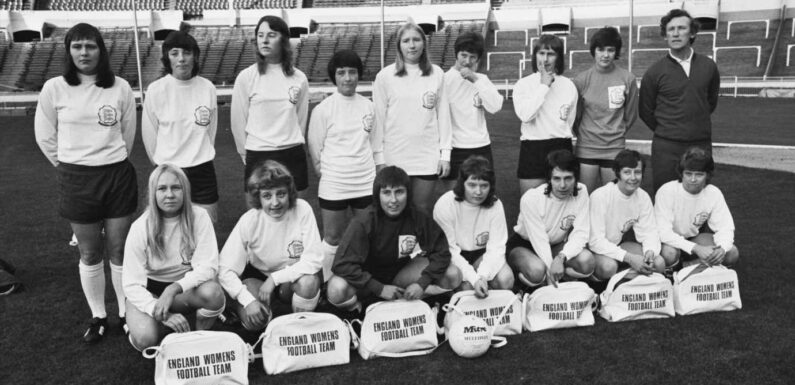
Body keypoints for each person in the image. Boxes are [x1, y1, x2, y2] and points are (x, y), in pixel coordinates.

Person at [34, 23, 137, 343]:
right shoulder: (55, 87)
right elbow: (45, 135)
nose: (83, 52)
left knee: (120, 250)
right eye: (77, 46)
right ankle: (98, 315)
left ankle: (124, 313)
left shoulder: (119, 86)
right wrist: (69, 164)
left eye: (90, 46)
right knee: (91, 253)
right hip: (77, 179)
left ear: (100, 50)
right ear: (68, 51)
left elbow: (127, 135)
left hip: (116, 176)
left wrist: (108, 159)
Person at [327, 166, 461, 314]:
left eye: (399, 192)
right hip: (366, 281)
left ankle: (411, 300)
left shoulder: (418, 217)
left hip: (399, 274)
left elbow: (441, 252)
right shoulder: (363, 222)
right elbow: (341, 265)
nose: (393, 200)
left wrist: (422, 284)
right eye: (386, 193)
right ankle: (356, 311)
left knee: (452, 274)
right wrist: (379, 288)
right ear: (377, 195)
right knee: (336, 288)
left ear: (408, 193)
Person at [123, 164, 225, 351]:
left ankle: (198, 337)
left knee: (214, 293)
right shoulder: (140, 227)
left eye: (176, 187)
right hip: (150, 290)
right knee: (146, 339)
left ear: (185, 190)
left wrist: (173, 289)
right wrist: (159, 309)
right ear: (153, 193)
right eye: (162, 188)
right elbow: (131, 284)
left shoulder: (200, 216)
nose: (169, 194)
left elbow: (208, 266)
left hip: (183, 289)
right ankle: (134, 326)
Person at [219, 161, 323, 331]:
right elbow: (225, 269)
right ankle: (249, 311)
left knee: (309, 282)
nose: (275, 203)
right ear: (258, 197)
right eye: (267, 196)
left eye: (281, 194)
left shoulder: (302, 210)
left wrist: (274, 279)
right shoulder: (250, 220)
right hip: (258, 278)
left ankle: (299, 326)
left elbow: (314, 260)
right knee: (256, 323)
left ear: (289, 193)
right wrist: (247, 300)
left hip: (291, 280)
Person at [307, 50, 381, 281]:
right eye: (342, 73)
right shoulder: (323, 109)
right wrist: (329, 174)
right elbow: (315, 149)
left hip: (365, 182)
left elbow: (376, 145)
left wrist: (375, 177)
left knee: (366, 234)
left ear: (359, 74)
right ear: (334, 76)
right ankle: (328, 283)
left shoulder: (369, 106)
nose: (348, 78)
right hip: (335, 183)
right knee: (333, 237)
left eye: (352, 72)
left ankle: (365, 280)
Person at [373, 22, 451, 215]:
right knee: (395, 210)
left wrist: (445, 155)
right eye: (406, 40)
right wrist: (379, 158)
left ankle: (420, 246)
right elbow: (378, 121)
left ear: (424, 43)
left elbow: (444, 116)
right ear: (399, 45)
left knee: (422, 209)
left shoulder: (437, 73)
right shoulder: (385, 76)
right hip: (394, 155)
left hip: (427, 155)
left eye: (416, 40)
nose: (412, 45)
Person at [639, 9, 720, 193]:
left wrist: (694, 125)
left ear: (692, 33)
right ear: (665, 35)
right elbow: (645, 111)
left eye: (681, 28)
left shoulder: (709, 66)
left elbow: (710, 102)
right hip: (667, 147)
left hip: (701, 144)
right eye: (670, 29)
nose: (675, 33)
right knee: (665, 195)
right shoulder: (654, 72)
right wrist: (670, 130)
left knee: (700, 196)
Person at [142, 30, 219, 223]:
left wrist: (199, 153)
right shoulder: (156, 90)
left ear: (195, 56)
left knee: (206, 229)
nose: (181, 59)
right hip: (169, 171)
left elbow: (211, 131)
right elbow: (150, 135)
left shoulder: (207, 87)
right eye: (174, 53)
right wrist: (164, 167)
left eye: (187, 52)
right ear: (167, 58)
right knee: (167, 231)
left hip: (202, 170)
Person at [231, 15, 310, 194]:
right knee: (259, 216)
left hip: (292, 153)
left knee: (296, 215)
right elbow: (238, 122)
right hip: (258, 154)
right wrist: (248, 156)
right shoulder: (246, 77)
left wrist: (290, 140)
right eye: (260, 35)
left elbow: (300, 120)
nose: (264, 40)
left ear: (283, 40)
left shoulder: (299, 78)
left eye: (271, 35)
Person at [507, 150, 594, 288]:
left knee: (586, 260)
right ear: (549, 179)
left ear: (576, 178)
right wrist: (551, 268)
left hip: (556, 245)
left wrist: (561, 257)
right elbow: (539, 240)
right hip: (525, 244)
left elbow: (581, 233)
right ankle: (522, 288)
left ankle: (565, 282)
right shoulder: (531, 198)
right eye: (557, 178)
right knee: (537, 271)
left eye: (568, 178)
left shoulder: (582, 191)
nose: (563, 185)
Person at [433, 156, 513, 298]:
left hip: (480, 253)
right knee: (468, 289)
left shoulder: (495, 204)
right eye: (472, 185)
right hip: (453, 255)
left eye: (484, 185)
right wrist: (474, 279)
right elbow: (450, 251)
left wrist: (482, 276)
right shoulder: (445, 204)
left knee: (506, 280)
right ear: (462, 183)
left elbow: (496, 247)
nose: (478, 192)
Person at [573, 26, 639, 194]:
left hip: (615, 148)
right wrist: (585, 135)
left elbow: (630, 115)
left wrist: (617, 132)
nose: (605, 55)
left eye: (610, 50)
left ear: (616, 52)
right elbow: (576, 116)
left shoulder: (627, 78)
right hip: (587, 147)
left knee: (613, 199)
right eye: (600, 49)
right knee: (584, 198)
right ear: (594, 51)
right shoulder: (581, 80)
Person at [513, 34, 578, 195]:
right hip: (533, 148)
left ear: (558, 58)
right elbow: (526, 115)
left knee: (562, 205)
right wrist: (544, 86)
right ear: (535, 56)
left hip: (561, 146)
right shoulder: (524, 84)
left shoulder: (569, 85)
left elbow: (568, 121)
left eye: (551, 54)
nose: (545, 59)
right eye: (541, 53)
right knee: (531, 204)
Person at [655, 147, 739, 268]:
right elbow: (663, 233)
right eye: (688, 174)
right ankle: (673, 274)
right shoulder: (667, 191)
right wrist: (696, 248)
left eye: (699, 175)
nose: (693, 179)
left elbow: (725, 227)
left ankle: (688, 266)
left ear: (708, 175)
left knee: (731, 253)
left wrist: (722, 248)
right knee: (670, 253)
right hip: (668, 242)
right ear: (681, 173)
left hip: (692, 238)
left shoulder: (713, 193)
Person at [589, 150, 666, 281]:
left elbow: (649, 232)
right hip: (596, 249)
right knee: (608, 267)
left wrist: (650, 252)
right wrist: (630, 258)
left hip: (618, 246)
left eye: (637, 172)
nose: (633, 177)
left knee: (658, 263)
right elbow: (595, 241)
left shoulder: (643, 196)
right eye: (627, 172)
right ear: (617, 173)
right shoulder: (600, 196)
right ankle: (600, 291)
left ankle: (629, 288)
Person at [440, 31, 503, 191]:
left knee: (483, 197)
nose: (467, 61)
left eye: (472, 57)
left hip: (481, 147)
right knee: (454, 198)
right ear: (456, 54)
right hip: (454, 148)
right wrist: (443, 154)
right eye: (463, 55)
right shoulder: (444, 80)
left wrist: (475, 79)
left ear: (478, 58)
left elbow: (495, 107)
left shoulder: (482, 79)